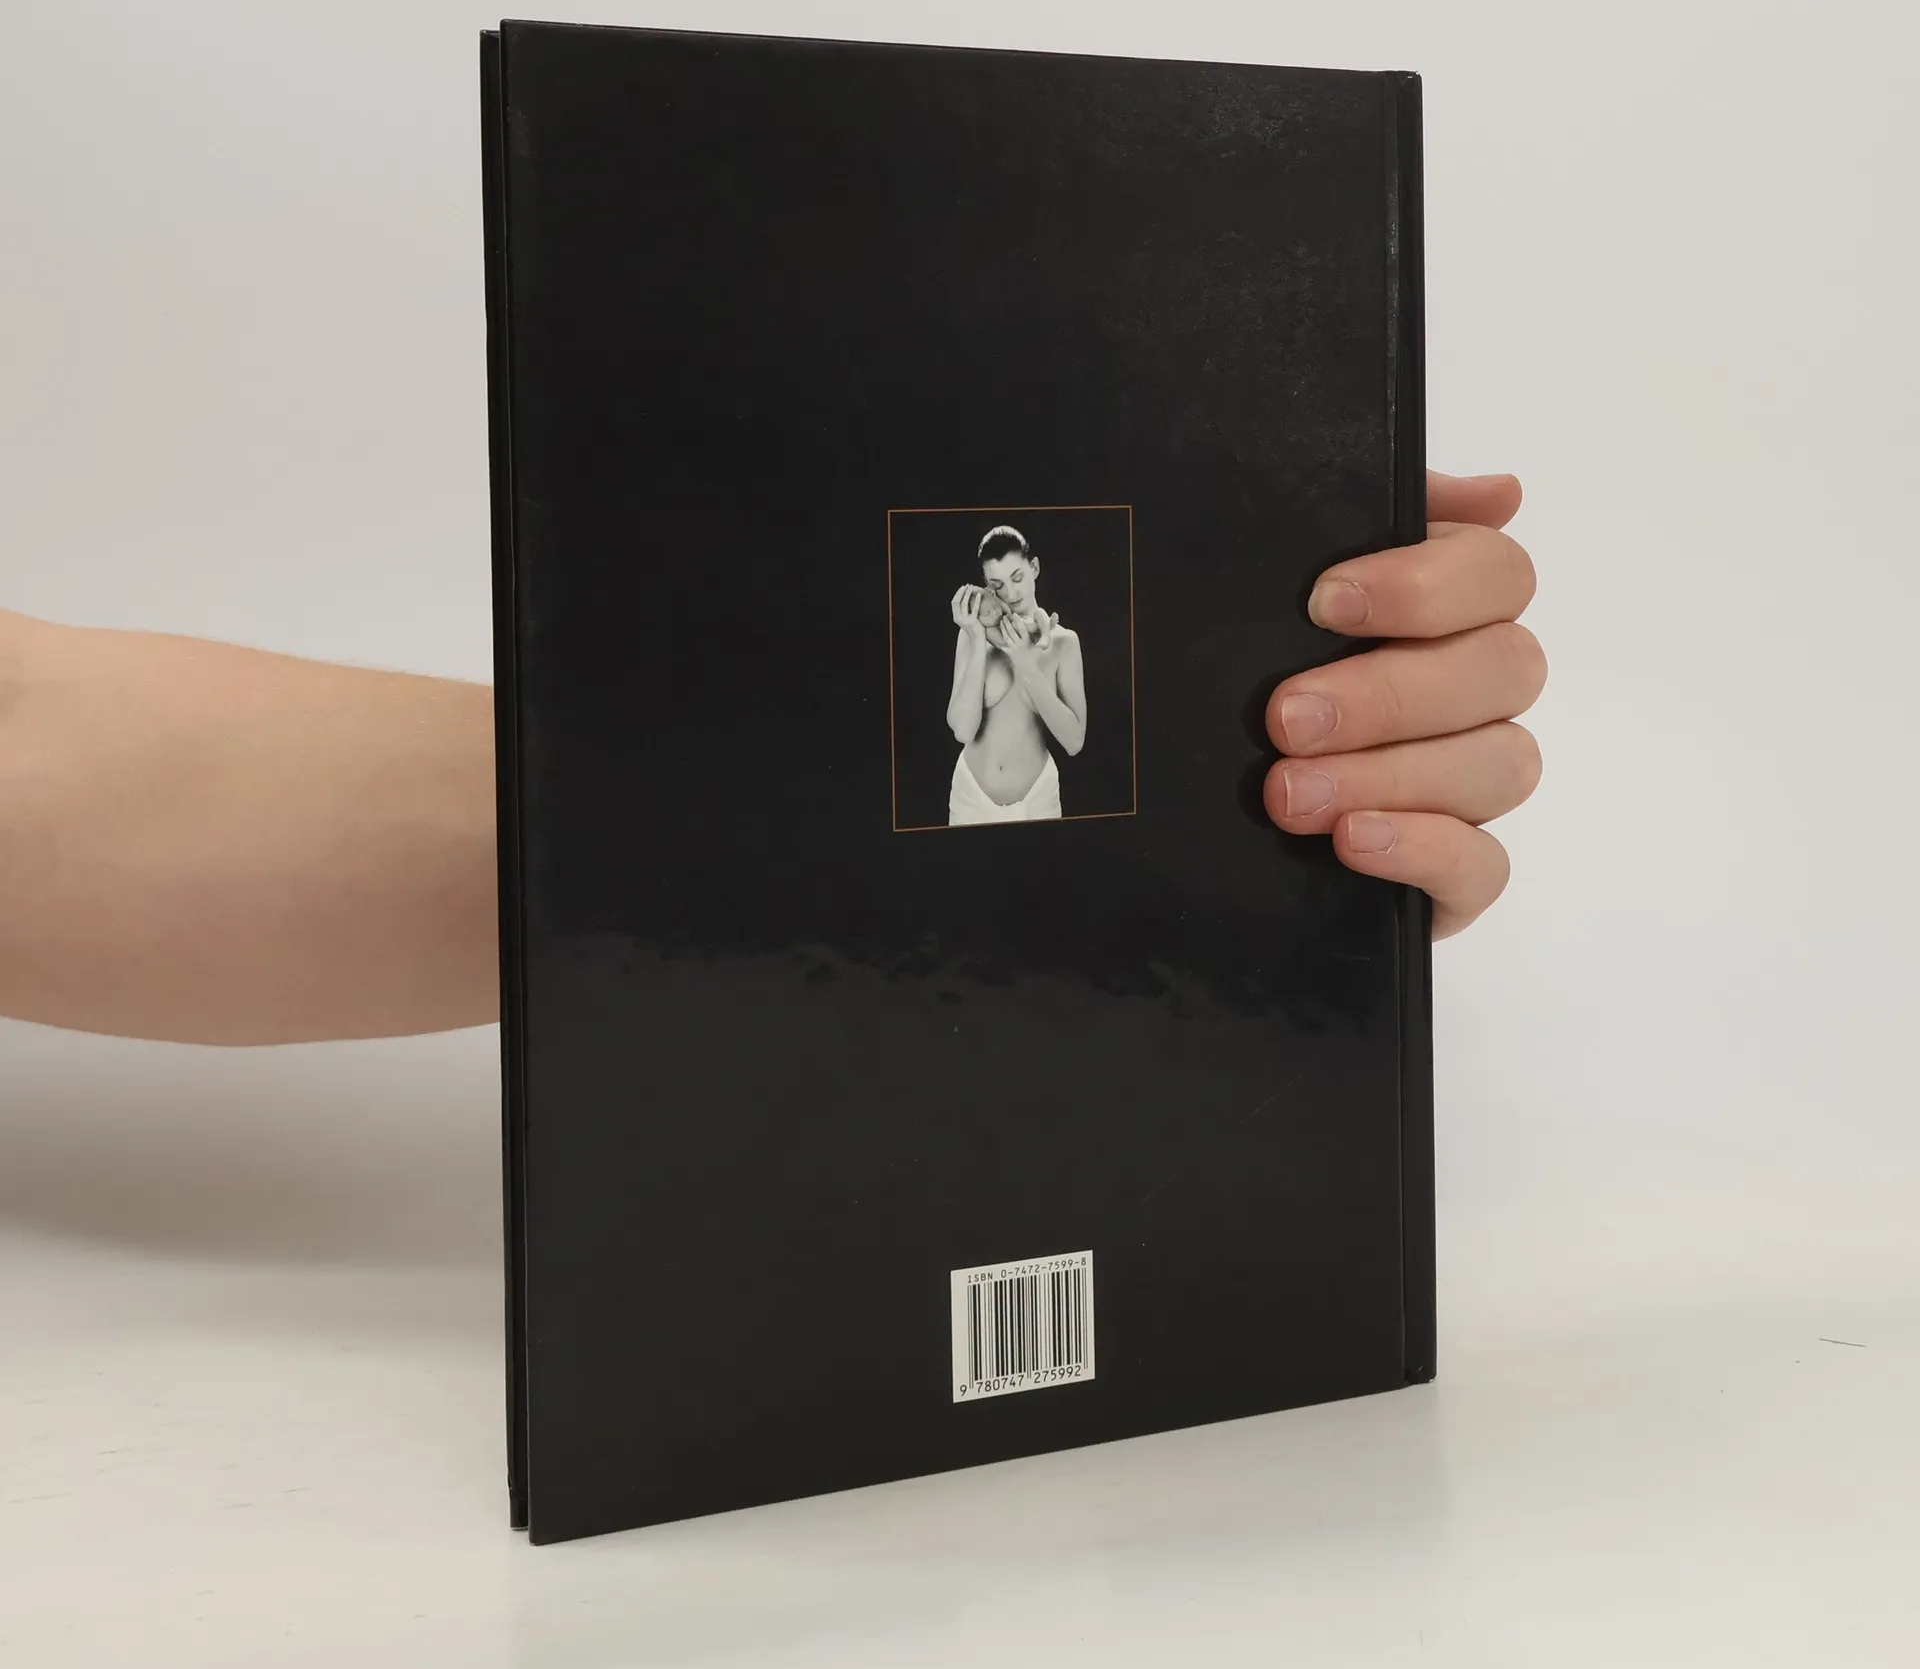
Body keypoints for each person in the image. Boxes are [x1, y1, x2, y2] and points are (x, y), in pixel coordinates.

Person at [0, 470, 1542, 1046]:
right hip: (967, 793)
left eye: (1023, 572)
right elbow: (950, 742)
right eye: (1002, 574)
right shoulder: (985, 639)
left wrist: (1200, 753)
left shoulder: (1060, 640)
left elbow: (1075, 741)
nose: (1013, 587)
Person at [945, 524, 1086, 825]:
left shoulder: (1064, 643)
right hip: (971, 800)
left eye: (1017, 577)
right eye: (997, 585)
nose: (1010, 593)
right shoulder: (972, 634)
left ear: (1034, 568)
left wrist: (1025, 663)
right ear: (986, 585)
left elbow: (1074, 742)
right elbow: (963, 731)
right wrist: (976, 638)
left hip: (1038, 803)